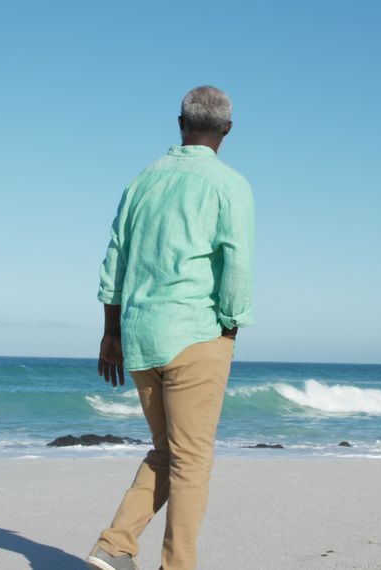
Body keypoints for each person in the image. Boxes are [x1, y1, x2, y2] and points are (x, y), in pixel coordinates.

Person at [87, 85, 255, 570]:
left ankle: (114, 548)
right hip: (195, 334)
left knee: (167, 452)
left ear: (180, 124)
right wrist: (231, 326)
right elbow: (237, 264)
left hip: (139, 337)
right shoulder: (229, 184)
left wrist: (111, 333)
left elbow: (113, 260)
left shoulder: (142, 181)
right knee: (192, 462)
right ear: (227, 130)